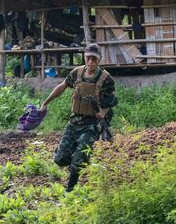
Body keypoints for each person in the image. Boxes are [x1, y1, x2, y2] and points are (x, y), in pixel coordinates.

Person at [39, 43, 118, 192]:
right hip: (74, 122)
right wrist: (45, 103)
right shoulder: (77, 73)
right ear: (84, 57)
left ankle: (70, 190)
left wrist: (103, 111)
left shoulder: (105, 78)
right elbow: (62, 86)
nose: (90, 62)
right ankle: (77, 158)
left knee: (78, 162)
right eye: (88, 58)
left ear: (99, 59)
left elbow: (112, 99)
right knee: (60, 159)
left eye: (94, 59)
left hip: (91, 126)